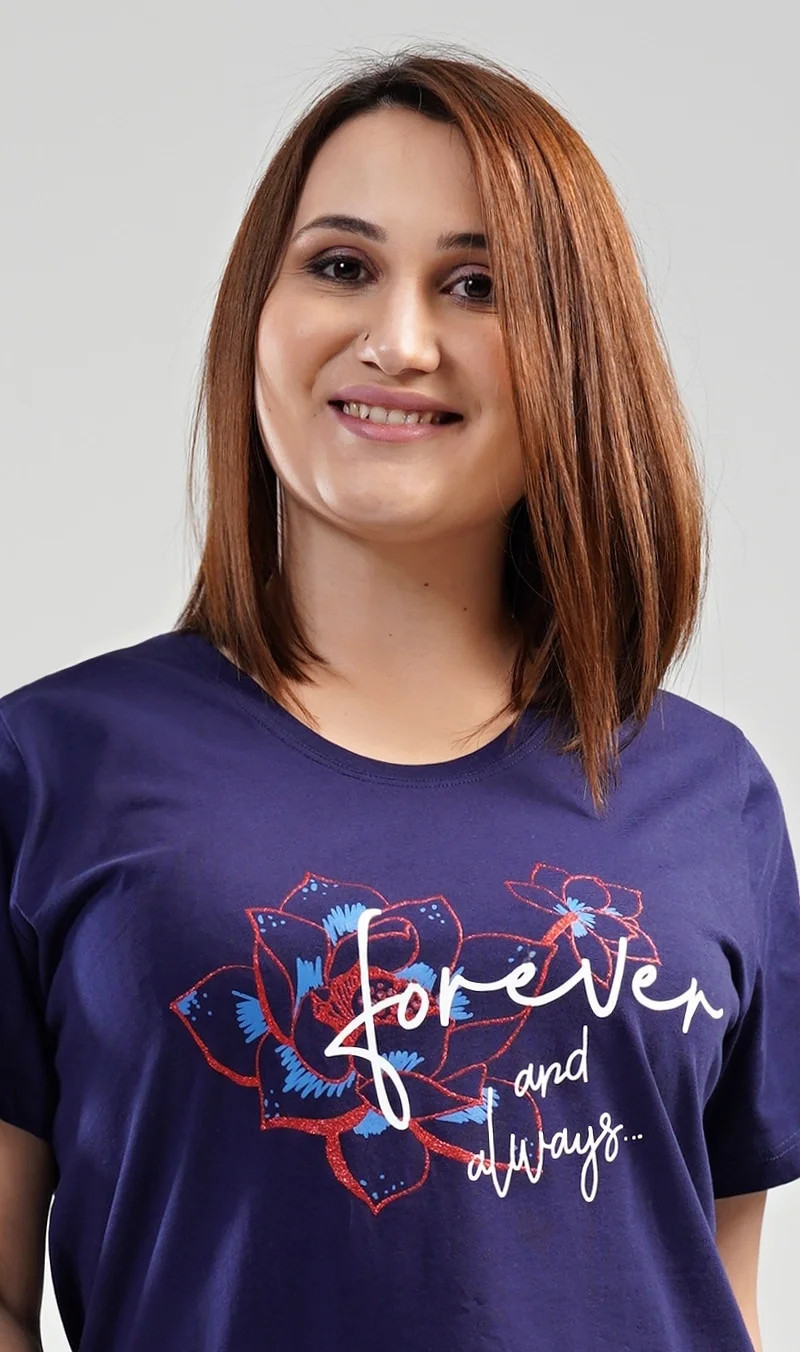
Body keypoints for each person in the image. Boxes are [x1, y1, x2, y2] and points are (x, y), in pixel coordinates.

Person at [1, 41, 798, 1352]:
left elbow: (715, 1291)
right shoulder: (52, 768)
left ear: (576, 353)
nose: (399, 340)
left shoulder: (711, 800)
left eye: (476, 285)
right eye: (341, 266)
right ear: (255, 314)